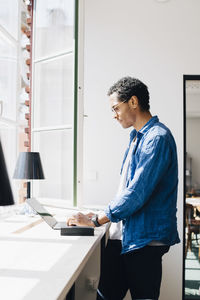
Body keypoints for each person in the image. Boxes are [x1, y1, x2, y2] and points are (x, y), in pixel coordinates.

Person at [67, 76, 180, 300]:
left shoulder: (157, 138)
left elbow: (137, 193)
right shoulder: (137, 138)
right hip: (125, 236)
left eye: (116, 108)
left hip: (144, 242)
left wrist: (95, 220)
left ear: (133, 102)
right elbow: (127, 191)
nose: (114, 115)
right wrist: (100, 213)